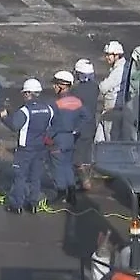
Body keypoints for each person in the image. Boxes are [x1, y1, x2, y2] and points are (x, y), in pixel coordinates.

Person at [0, 80, 54, 214]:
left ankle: (16, 205)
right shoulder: (48, 109)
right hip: (41, 148)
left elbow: (14, 126)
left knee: (20, 177)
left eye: (24, 93)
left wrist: (4, 117)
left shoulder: (25, 111)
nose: (23, 96)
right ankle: (33, 204)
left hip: (25, 149)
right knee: (35, 177)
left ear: (29, 93)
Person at [49, 71, 89, 206]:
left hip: (58, 138)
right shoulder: (77, 101)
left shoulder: (56, 103)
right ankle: (72, 194)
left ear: (62, 86)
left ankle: (60, 193)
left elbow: (51, 124)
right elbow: (86, 117)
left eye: (55, 84)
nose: (54, 87)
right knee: (68, 166)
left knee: (58, 167)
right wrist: (76, 129)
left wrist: (47, 138)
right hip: (71, 139)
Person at [72, 58, 101, 190]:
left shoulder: (76, 91)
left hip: (80, 126)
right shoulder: (95, 87)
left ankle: (84, 182)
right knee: (88, 154)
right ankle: (87, 178)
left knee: (77, 156)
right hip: (91, 125)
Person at [97, 41, 126, 140]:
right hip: (108, 111)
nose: (107, 57)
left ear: (117, 55)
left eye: (109, 55)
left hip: (113, 112)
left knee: (110, 142)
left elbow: (104, 87)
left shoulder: (119, 70)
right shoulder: (117, 67)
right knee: (98, 141)